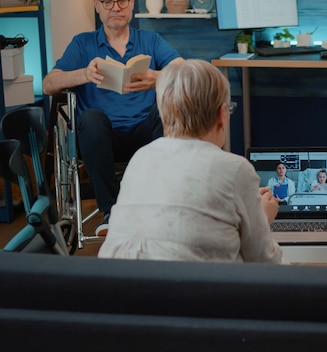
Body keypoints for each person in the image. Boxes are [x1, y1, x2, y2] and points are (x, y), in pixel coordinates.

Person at [98, 59, 283, 264]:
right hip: (191, 292)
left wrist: (246, 207)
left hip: (121, 288)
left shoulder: (140, 158)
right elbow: (265, 262)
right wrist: (262, 219)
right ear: (222, 114)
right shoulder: (236, 169)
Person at [42, 0, 185, 237]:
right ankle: (111, 212)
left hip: (146, 136)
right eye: (107, 1)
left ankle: (163, 206)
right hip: (99, 139)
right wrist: (84, 74)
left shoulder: (150, 40)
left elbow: (185, 71)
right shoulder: (82, 43)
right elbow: (49, 84)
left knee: (165, 110)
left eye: (123, 0)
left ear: (132, 5)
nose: (115, 7)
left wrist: (157, 77)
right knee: (90, 118)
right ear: (97, 7)